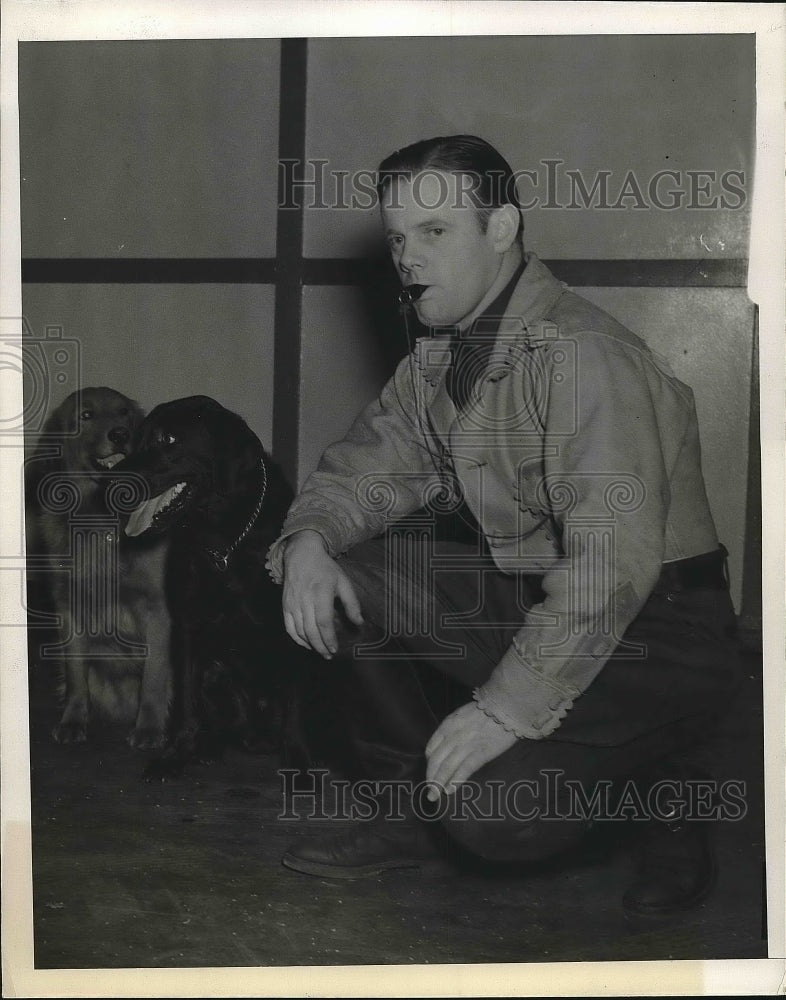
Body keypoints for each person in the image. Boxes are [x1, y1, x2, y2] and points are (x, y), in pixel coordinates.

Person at [266, 135, 741, 918]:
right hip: (538, 605)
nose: (406, 259)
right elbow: (364, 472)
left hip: (661, 635)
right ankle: (409, 811)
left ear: (502, 228)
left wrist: (502, 709)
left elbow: (609, 571)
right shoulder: (438, 360)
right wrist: (311, 541)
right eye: (396, 238)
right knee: (346, 573)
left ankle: (663, 788)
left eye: (434, 232)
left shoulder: (584, 356)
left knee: (487, 815)